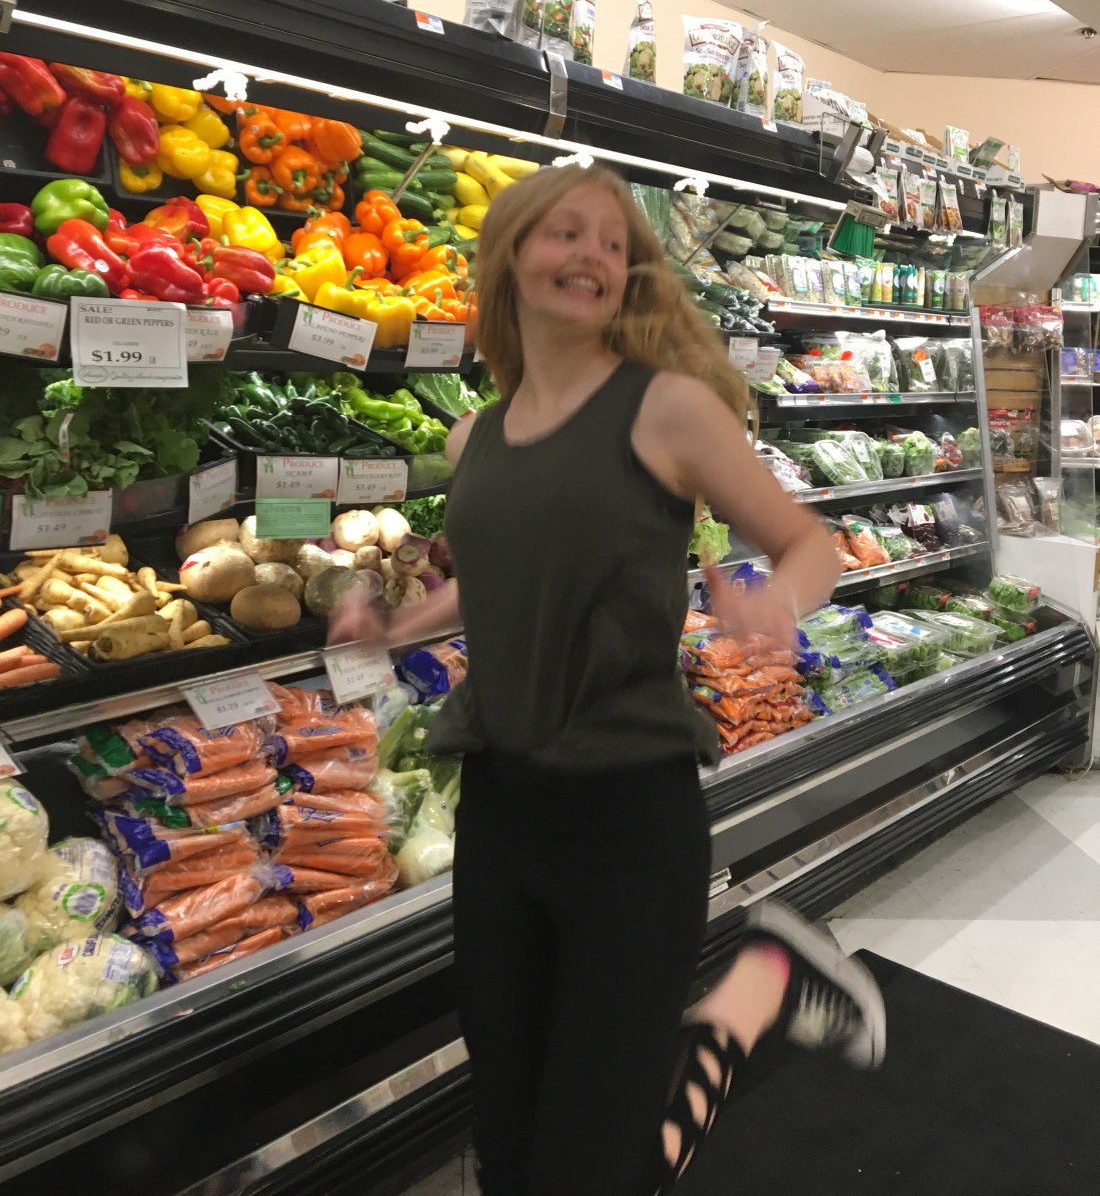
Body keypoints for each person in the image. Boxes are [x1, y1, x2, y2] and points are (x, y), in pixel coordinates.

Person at [331, 163, 885, 1196]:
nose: (590, 252)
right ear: (509, 253)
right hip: (500, 814)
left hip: (629, 818)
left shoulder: (666, 409)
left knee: (583, 1170)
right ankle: (752, 993)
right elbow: (495, 576)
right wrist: (397, 623)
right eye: (564, 231)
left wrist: (776, 603)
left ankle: (746, 1004)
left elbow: (806, 541)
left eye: (611, 240)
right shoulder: (474, 434)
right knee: (509, 1146)